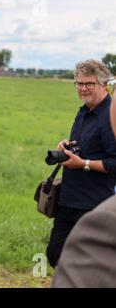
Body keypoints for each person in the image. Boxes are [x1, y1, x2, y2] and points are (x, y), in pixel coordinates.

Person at [46, 59, 116, 267]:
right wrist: (68, 145)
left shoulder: (111, 115)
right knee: (55, 254)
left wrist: (83, 163)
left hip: (94, 205)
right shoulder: (84, 111)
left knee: (89, 263)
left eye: (89, 84)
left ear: (104, 84)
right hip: (69, 200)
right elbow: (87, 144)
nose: (83, 88)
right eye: (79, 83)